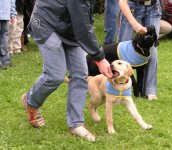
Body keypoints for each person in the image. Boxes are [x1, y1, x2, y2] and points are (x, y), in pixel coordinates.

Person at [21, 0, 112, 142]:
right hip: (47, 22)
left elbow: (85, 16)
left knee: (81, 75)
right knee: (54, 75)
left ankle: (75, 124)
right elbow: (81, 23)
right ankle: (30, 101)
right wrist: (99, 58)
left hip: (69, 26)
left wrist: (93, 49)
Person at [118, 0, 162, 100]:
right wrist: (134, 24)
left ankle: (150, 91)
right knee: (122, 50)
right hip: (132, 7)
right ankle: (120, 88)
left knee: (152, 50)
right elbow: (122, 2)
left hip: (153, 7)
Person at [0, 0, 16, 69]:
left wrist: (12, 13)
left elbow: (12, 0)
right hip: (5, 13)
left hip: (5, 14)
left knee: (4, 37)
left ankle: (5, 60)